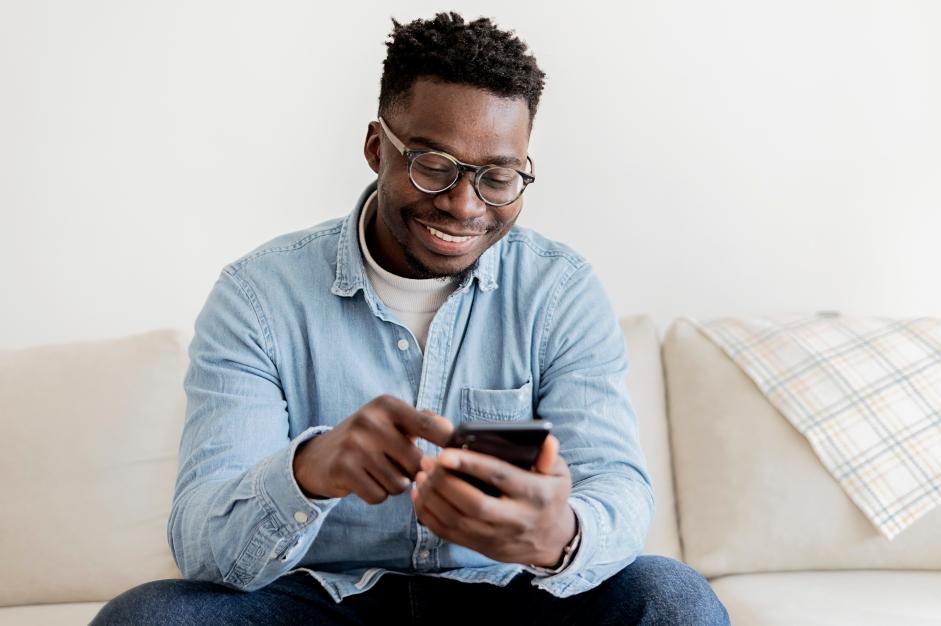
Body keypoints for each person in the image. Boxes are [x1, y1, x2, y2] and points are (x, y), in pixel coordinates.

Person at [93, 11, 728, 625]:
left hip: (507, 596)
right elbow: (203, 544)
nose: (462, 203)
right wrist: (309, 469)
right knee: (144, 617)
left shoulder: (558, 291)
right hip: (325, 601)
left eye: (497, 177)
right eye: (433, 165)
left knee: (673, 598)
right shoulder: (258, 296)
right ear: (377, 148)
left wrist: (560, 534)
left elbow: (617, 485)